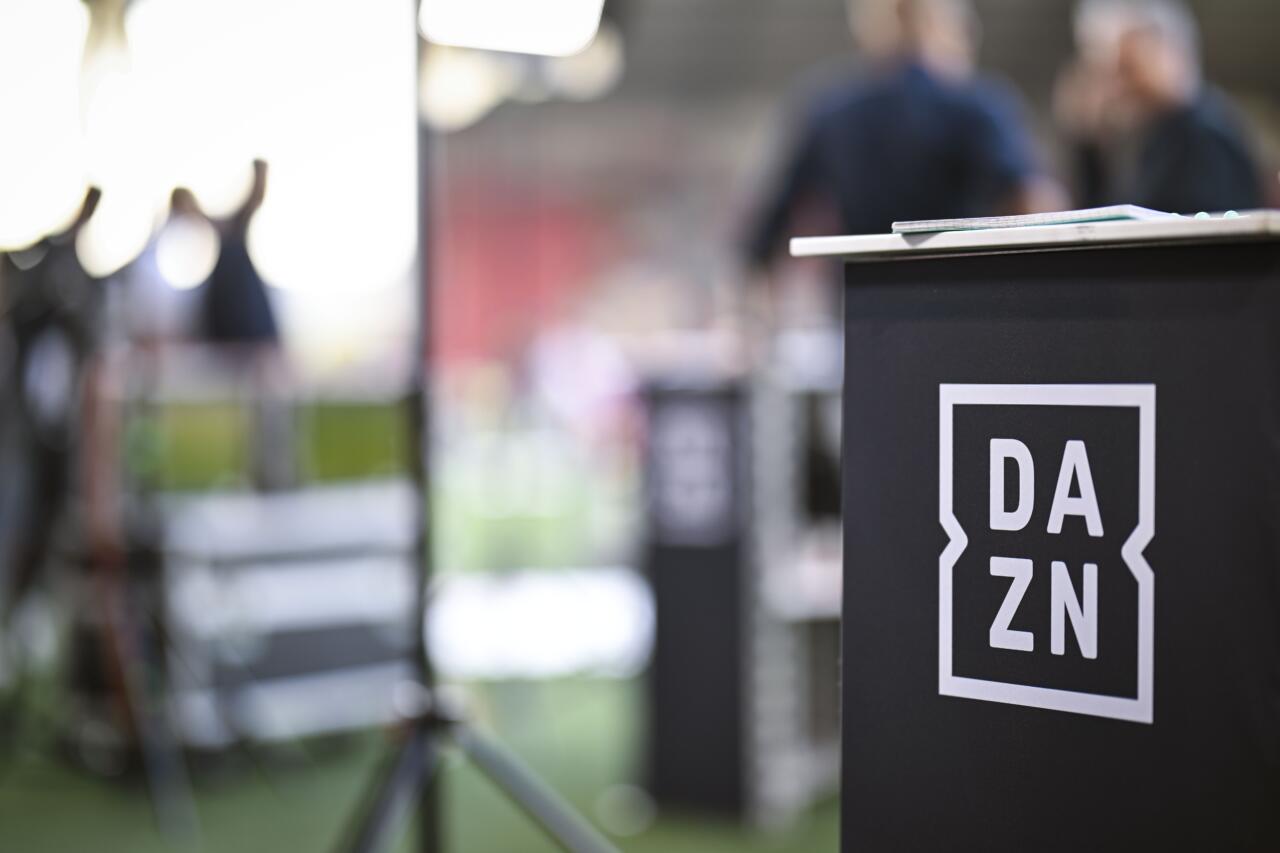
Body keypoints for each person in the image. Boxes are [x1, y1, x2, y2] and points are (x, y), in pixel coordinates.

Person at [743, 0, 1060, 272]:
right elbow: (1036, 204)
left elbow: (766, 230)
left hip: (859, 310)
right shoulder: (974, 103)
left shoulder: (828, 112)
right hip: (961, 301)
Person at [1056, 0, 1263, 214]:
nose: (1117, 89)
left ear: (1167, 54)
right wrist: (1088, 144)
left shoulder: (1203, 136)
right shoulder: (1160, 136)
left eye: (1128, 70)